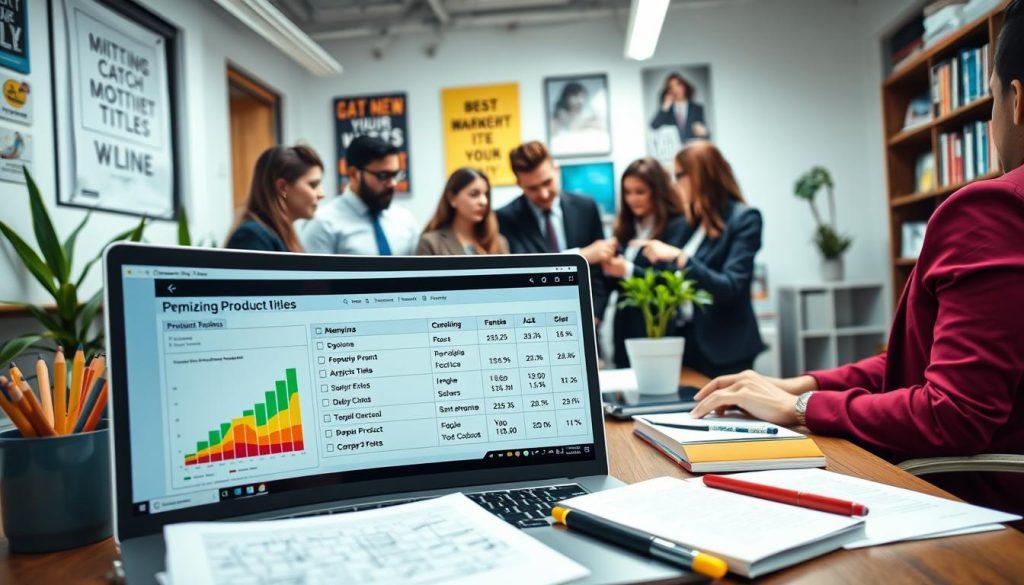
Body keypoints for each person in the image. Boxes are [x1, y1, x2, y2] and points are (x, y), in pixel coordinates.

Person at [689, 0, 1024, 520]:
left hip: (972, 502)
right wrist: (808, 384)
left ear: (1017, 100)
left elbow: (953, 412)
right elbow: (931, 362)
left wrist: (800, 410)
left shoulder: (994, 209)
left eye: (990, 100)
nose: (990, 122)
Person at [635, 141, 764, 377]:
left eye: (679, 175)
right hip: (689, 345)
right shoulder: (689, 222)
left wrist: (680, 257)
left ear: (700, 176)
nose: (675, 184)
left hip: (726, 348)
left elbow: (731, 286)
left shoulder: (745, 219)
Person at [496, 141, 615, 319]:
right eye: (533, 188)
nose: (543, 194)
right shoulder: (504, 219)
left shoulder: (586, 207)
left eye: (547, 182)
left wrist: (595, 316)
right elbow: (524, 270)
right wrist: (582, 255)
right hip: (533, 320)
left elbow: (598, 272)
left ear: (556, 170)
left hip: (586, 319)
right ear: (519, 183)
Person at [600, 158, 688, 368]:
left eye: (640, 192)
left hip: (656, 331)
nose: (632, 199)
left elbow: (672, 284)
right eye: (627, 192)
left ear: (657, 192)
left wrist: (627, 270)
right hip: (622, 326)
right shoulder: (625, 228)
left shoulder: (678, 226)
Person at [301, 135, 418, 256]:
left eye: (395, 175)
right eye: (383, 176)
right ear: (353, 173)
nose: (393, 183)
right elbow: (314, 274)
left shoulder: (406, 220)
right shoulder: (322, 225)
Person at [225, 144, 324, 252]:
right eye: (313, 185)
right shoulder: (252, 237)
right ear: (283, 188)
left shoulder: (279, 234)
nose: (321, 194)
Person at [417, 167, 509, 255]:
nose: (483, 201)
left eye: (486, 195)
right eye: (474, 194)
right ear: (452, 198)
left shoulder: (498, 242)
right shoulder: (431, 243)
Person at [649, 72, 710, 143]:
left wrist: (703, 132)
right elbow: (654, 126)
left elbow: (704, 134)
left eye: (678, 85)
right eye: (671, 87)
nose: (676, 89)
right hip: (672, 149)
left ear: (684, 86)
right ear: (668, 91)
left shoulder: (697, 108)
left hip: (691, 148)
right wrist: (665, 106)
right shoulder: (667, 110)